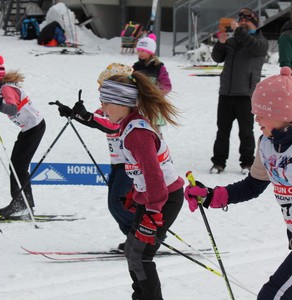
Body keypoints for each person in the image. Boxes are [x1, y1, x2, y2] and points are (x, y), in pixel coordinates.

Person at [184, 66, 292, 300]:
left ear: (286, 114)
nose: (256, 118)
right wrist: (211, 196)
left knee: (271, 296)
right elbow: (252, 185)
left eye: (263, 112)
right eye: (255, 112)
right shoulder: (267, 145)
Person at [99, 72, 184, 300]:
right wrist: (135, 196)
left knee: (140, 256)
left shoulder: (136, 133)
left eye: (105, 102)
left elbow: (155, 176)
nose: (102, 107)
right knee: (131, 250)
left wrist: (153, 212)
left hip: (164, 198)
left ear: (121, 103)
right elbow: (143, 173)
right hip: (154, 197)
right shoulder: (130, 126)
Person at [58, 63, 135, 252]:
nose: (99, 90)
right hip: (118, 164)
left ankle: (145, 237)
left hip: (132, 165)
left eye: (103, 86)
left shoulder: (128, 110)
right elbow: (98, 119)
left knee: (118, 203)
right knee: (117, 203)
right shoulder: (110, 107)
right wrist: (74, 114)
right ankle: (136, 237)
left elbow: (111, 125)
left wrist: (86, 117)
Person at [210, 7, 268, 175]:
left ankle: (247, 163)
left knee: (246, 132)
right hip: (226, 93)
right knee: (222, 131)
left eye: (246, 22)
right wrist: (220, 43)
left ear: (255, 25)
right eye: (240, 21)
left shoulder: (259, 42)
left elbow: (252, 45)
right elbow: (217, 58)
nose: (242, 24)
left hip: (246, 94)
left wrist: (239, 30)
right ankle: (219, 162)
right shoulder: (232, 41)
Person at [0, 55, 46, 217]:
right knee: (16, 166)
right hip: (28, 130)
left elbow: (12, 109)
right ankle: (20, 202)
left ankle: (22, 205)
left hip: (34, 128)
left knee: (19, 167)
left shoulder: (6, 88)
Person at [133, 33, 172, 133]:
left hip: (153, 103)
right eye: (139, 50)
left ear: (150, 52)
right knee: (140, 127)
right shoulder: (136, 67)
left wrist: (155, 94)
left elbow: (166, 85)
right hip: (140, 102)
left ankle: (158, 145)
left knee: (154, 129)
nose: (140, 52)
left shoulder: (158, 67)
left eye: (143, 50)